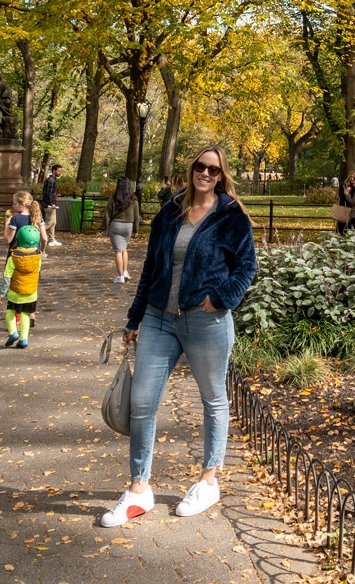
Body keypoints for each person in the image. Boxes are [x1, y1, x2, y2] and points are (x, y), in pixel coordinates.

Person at [100, 145, 257, 528]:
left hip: (206, 322)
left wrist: (219, 299)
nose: (205, 173)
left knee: (213, 399)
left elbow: (247, 266)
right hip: (159, 318)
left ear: (221, 176)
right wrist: (134, 318)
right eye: (200, 166)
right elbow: (152, 267)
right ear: (191, 169)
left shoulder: (230, 215)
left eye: (213, 170)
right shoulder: (169, 211)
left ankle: (208, 479)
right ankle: (139, 489)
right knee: (141, 402)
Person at [0, 224, 42, 348]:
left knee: (10, 311)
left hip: (16, 292)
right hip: (31, 292)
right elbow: (37, 272)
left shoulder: (13, 258)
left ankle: (13, 332)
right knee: (25, 315)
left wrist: (2, 293)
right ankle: (24, 340)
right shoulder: (38, 257)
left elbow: (7, 277)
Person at [100, 176, 141, 283]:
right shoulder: (133, 200)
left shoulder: (114, 198)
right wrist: (136, 230)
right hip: (128, 226)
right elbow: (137, 216)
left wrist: (103, 228)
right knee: (124, 248)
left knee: (118, 251)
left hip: (116, 225)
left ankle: (120, 276)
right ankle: (125, 271)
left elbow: (107, 214)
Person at [41, 164, 63, 248]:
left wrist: (55, 196)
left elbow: (49, 193)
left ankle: (52, 239)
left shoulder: (51, 180)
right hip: (49, 205)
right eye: (58, 171)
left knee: (53, 223)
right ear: (54, 170)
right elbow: (49, 193)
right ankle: (37, 235)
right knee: (49, 223)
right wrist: (51, 204)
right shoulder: (51, 180)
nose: (59, 173)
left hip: (50, 203)